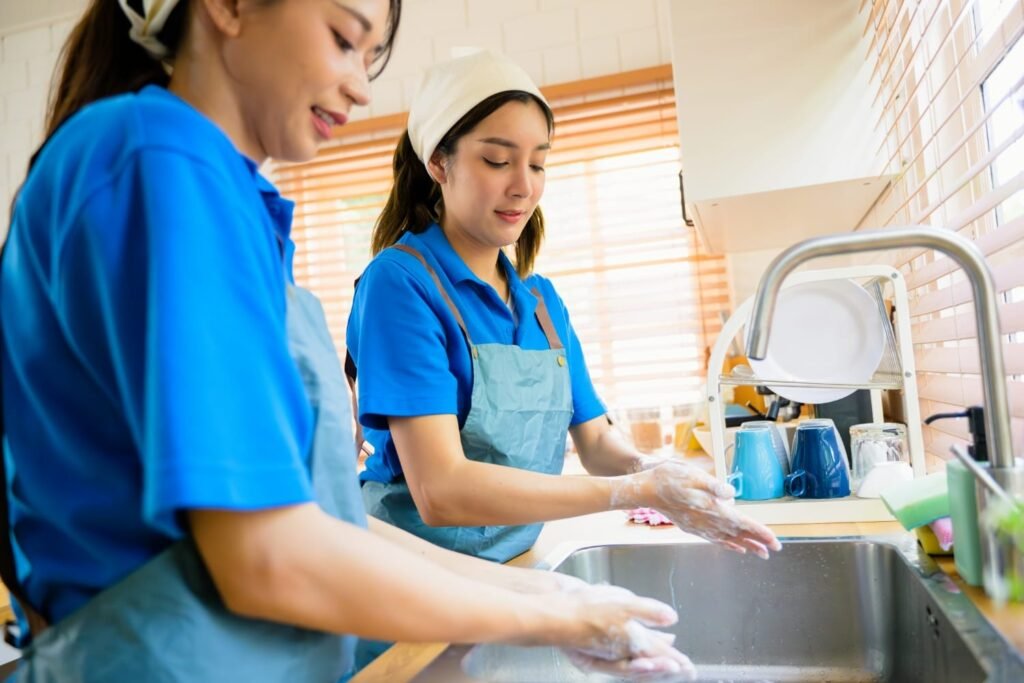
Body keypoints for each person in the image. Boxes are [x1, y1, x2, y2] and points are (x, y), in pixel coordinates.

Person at [0, 1, 700, 680]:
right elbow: (268, 554)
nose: (363, 87)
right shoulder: (158, 159)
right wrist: (552, 619)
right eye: (343, 37)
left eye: (372, 56)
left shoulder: (227, 201)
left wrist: (549, 595)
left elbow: (325, 523)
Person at [347, 51, 781, 565]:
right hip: (414, 578)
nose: (524, 186)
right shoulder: (399, 283)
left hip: (516, 563)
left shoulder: (540, 301)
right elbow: (441, 490)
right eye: (497, 160)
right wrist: (637, 491)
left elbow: (596, 441)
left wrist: (658, 471)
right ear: (439, 162)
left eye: (537, 163)